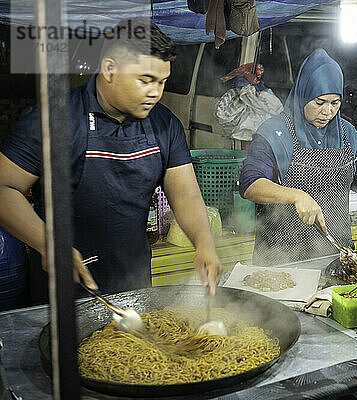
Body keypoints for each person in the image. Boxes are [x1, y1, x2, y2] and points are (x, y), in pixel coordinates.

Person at [0, 18, 222, 302]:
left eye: (162, 82)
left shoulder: (165, 125)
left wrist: (203, 242)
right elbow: (5, 188)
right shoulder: (54, 118)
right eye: (145, 80)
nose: (156, 92)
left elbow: (186, 194)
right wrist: (48, 245)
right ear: (109, 69)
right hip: (63, 288)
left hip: (135, 284)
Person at [239, 48, 357, 266]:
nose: (328, 112)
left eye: (335, 103)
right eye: (319, 102)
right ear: (303, 95)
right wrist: (296, 196)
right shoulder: (275, 133)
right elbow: (250, 184)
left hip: (337, 253)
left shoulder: (347, 133)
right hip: (281, 256)